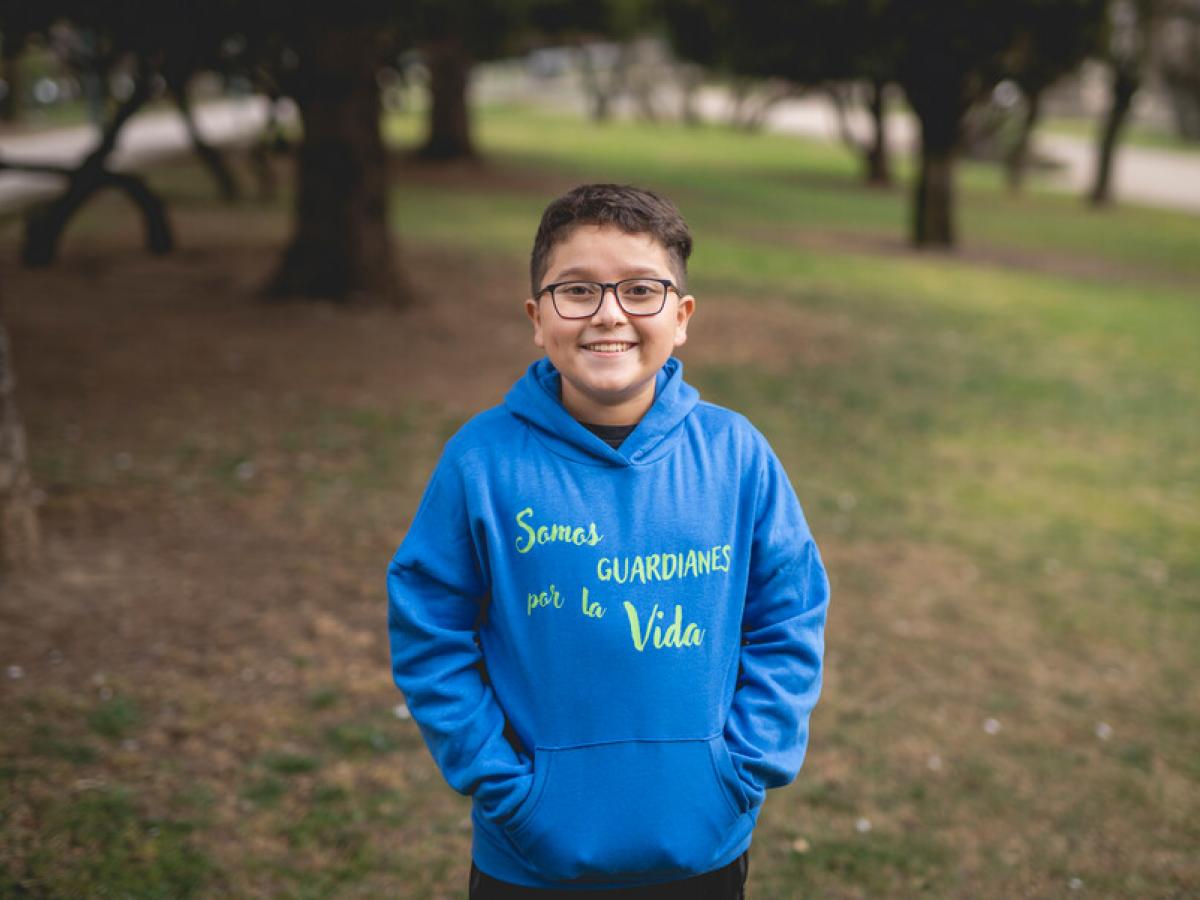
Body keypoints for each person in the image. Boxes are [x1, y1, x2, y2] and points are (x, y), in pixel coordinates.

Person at [386, 183, 830, 898]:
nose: (609, 314)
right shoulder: (481, 462)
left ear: (681, 317)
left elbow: (789, 614)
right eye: (577, 291)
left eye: (640, 290)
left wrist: (745, 765)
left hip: (703, 842)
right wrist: (501, 784)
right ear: (538, 318)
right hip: (530, 855)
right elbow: (429, 628)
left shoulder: (736, 454)